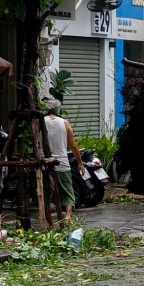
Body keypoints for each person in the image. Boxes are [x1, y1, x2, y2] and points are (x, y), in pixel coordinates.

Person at [42, 98, 85, 229]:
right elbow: (73, 145)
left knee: (44, 196)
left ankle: (50, 225)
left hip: (44, 163)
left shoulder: (39, 122)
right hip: (62, 163)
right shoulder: (64, 123)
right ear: (58, 109)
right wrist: (80, 162)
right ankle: (67, 216)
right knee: (67, 193)